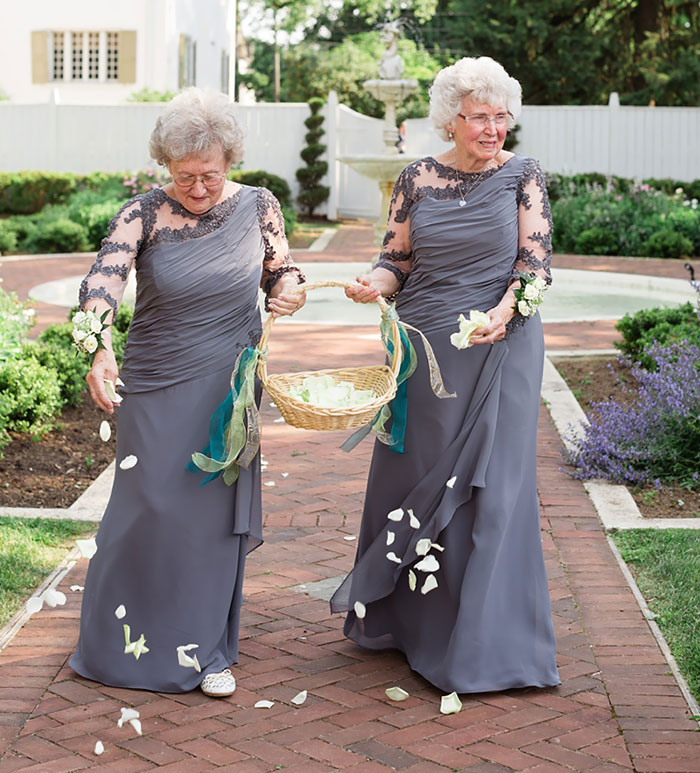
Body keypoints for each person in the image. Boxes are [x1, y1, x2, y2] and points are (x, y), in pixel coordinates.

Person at [331, 56, 560, 694]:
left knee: (495, 489)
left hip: (502, 344)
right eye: (479, 116)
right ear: (450, 121)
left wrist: (504, 313)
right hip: (425, 348)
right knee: (417, 474)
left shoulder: (523, 176)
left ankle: (487, 644)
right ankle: (409, 626)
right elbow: (396, 260)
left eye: (501, 116)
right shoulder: (416, 178)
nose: (493, 128)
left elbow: (536, 265)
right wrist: (372, 284)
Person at [69, 88, 305, 697]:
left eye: (210, 175)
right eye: (184, 176)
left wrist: (289, 290)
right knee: (146, 509)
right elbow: (102, 283)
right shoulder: (142, 213)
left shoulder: (259, 206)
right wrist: (99, 348)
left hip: (229, 385)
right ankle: (117, 642)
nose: (198, 188)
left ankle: (204, 651)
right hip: (155, 382)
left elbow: (282, 271)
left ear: (230, 161)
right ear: (165, 165)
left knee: (207, 519)